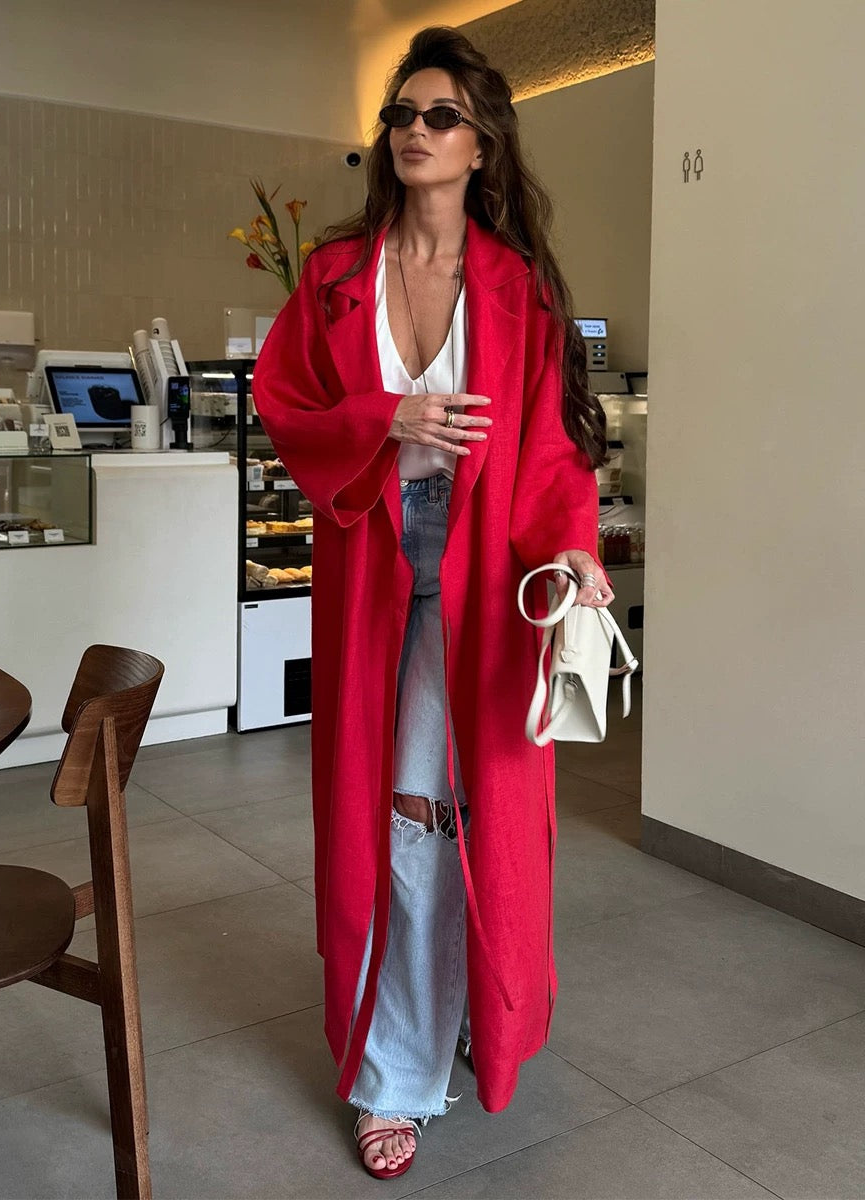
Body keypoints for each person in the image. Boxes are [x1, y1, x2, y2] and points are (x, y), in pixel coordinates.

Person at [253, 25, 614, 1181]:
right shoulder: (333, 277)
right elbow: (285, 406)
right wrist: (387, 419)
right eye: (402, 115)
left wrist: (575, 549)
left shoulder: (517, 290)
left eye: (440, 116)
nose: (415, 131)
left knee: (475, 819)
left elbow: (551, 449)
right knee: (401, 816)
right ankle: (395, 1071)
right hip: (375, 568)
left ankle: (461, 1010)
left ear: (481, 144)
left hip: (490, 576)